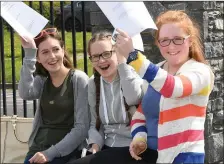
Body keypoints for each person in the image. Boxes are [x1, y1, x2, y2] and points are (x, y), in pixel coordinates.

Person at [115, 10, 215, 164]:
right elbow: (141, 114)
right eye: (165, 40)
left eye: (178, 39)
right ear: (158, 43)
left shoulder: (201, 72)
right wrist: (139, 139)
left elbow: (173, 88)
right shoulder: (156, 70)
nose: (171, 46)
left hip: (182, 156)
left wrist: (133, 56)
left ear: (190, 41)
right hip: (150, 154)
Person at [70, 31, 157, 164]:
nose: (101, 60)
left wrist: (122, 63)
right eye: (95, 57)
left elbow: (133, 98)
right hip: (108, 148)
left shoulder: (132, 74)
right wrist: (95, 145)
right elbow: (95, 124)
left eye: (106, 54)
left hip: (136, 148)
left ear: (117, 52)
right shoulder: (93, 83)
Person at [19, 28, 89, 164]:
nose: (52, 56)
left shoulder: (78, 79)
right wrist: (29, 55)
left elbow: (82, 128)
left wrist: (49, 153)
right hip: (37, 149)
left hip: (66, 152)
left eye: (56, 49)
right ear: (38, 58)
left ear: (63, 50)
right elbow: (25, 93)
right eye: (45, 52)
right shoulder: (42, 80)